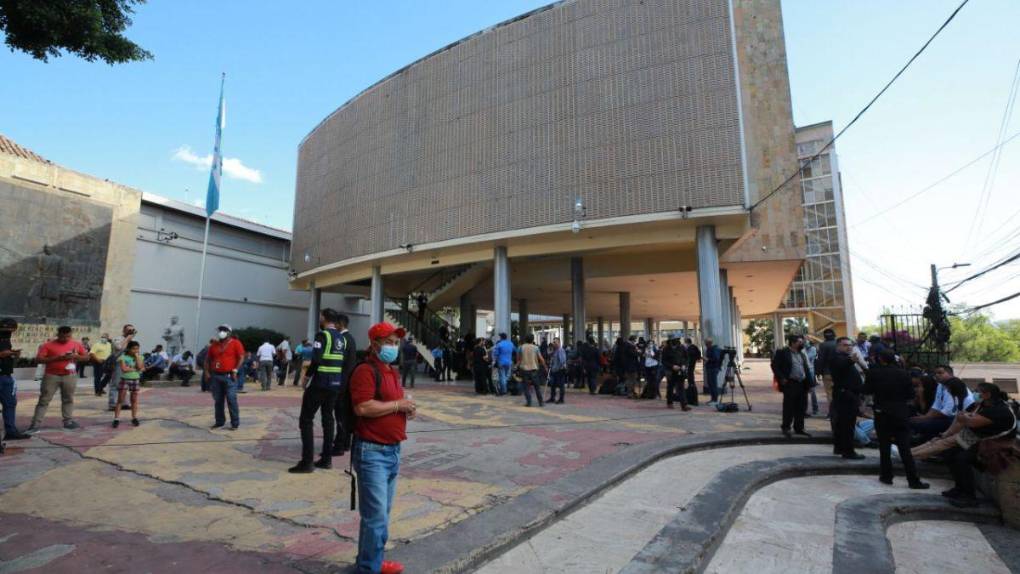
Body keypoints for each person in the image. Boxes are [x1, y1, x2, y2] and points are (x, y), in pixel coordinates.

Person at [350, 322, 416, 574]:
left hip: (392, 450)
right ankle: (368, 568)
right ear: (375, 343)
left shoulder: (390, 370)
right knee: (375, 518)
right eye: (388, 341)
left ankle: (372, 562)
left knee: (380, 516)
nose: (393, 346)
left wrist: (406, 408)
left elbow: (392, 403)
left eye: (396, 341)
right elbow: (363, 407)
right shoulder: (365, 371)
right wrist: (399, 406)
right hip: (372, 452)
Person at [290, 308, 350, 473]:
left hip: (320, 383)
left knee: (306, 420)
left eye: (320, 317)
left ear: (324, 318)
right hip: (335, 385)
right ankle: (326, 459)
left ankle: (307, 462)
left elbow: (316, 359)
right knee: (328, 419)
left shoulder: (322, 335)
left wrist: (307, 377)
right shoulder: (341, 338)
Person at [939, 383, 1017, 507]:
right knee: (949, 453)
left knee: (962, 459)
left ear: (987, 395)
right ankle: (959, 488)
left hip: (996, 446)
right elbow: (963, 417)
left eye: (978, 391)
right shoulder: (981, 405)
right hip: (980, 441)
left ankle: (969, 497)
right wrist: (962, 419)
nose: (975, 394)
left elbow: (970, 422)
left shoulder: (999, 409)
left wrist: (963, 418)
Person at [862, 350, 928, 488]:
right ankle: (913, 480)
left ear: (880, 359)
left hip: (882, 411)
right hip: (900, 412)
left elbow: (866, 390)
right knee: (904, 447)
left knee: (884, 446)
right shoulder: (904, 373)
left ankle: (886, 476)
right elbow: (910, 394)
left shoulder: (874, 372)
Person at [28, 326, 89, 432]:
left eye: (68, 336)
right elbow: (38, 359)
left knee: (68, 399)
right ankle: (35, 424)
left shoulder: (76, 344)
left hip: (70, 375)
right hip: (51, 376)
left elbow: (86, 357)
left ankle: (68, 421)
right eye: (63, 336)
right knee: (44, 400)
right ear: (58, 334)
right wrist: (57, 358)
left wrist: (75, 356)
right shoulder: (48, 345)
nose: (65, 339)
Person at [909, 365, 974, 442]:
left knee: (923, 424)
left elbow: (948, 411)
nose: (936, 375)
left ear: (950, 374)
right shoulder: (940, 385)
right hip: (951, 417)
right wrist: (926, 416)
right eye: (935, 373)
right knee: (915, 421)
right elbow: (936, 405)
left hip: (954, 418)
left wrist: (926, 418)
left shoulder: (954, 385)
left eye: (940, 373)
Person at [771, 334, 811, 439]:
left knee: (802, 407)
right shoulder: (783, 352)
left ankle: (799, 428)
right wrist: (781, 378)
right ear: (793, 343)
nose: (802, 343)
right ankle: (786, 427)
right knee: (789, 407)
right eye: (799, 342)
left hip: (802, 383)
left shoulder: (801, 354)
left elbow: (806, 368)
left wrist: (810, 383)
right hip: (790, 383)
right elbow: (774, 366)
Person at [329, 314, 358, 456]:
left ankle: (339, 445)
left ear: (340, 324)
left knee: (340, 414)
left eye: (335, 323)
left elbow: (340, 363)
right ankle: (346, 442)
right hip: (348, 382)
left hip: (342, 383)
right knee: (345, 414)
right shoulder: (351, 338)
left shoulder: (342, 339)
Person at [830, 337, 864, 459]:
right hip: (845, 395)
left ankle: (840, 448)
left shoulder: (845, 358)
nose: (849, 347)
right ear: (838, 346)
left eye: (850, 345)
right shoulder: (837, 358)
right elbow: (840, 366)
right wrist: (851, 360)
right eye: (845, 345)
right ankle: (848, 451)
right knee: (847, 424)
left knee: (844, 424)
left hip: (849, 395)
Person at [205, 325, 245, 430]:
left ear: (229, 332)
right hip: (216, 376)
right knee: (218, 400)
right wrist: (207, 373)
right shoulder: (214, 345)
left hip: (229, 376)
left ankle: (235, 423)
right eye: (220, 330)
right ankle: (219, 422)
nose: (221, 332)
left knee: (231, 399)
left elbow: (241, 357)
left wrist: (236, 370)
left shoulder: (236, 343)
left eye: (224, 330)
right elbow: (208, 359)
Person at [0, 318, 30, 440]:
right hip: (2, 376)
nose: (12, 331)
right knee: (9, 403)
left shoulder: (5, 337)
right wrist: (11, 353)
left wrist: (12, 352)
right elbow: (1, 353)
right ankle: (10, 431)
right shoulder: (4, 336)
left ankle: (11, 431)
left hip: (5, 375)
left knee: (10, 403)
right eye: (11, 329)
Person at [113, 341, 143, 428]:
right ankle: (116, 418)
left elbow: (140, 367)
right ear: (129, 349)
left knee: (134, 400)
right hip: (125, 379)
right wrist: (135, 368)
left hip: (135, 379)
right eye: (134, 349)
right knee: (120, 399)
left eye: (137, 348)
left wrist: (137, 358)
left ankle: (134, 417)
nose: (136, 350)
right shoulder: (123, 357)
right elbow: (124, 369)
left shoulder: (140, 357)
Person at [108, 324, 138, 410]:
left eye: (132, 330)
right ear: (124, 330)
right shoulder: (117, 339)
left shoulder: (133, 341)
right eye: (129, 330)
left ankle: (124, 403)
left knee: (126, 384)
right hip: (118, 363)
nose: (131, 332)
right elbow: (119, 347)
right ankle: (113, 404)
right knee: (116, 384)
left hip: (129, 364)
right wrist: (128, 338)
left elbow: (135, 352)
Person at [516, 334, 546, 407]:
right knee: (537, 387)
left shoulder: (521, 347)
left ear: (525, 340)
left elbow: (519, 359)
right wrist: (545, 366)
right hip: (534, 369)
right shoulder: (536, 348)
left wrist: (516, 366)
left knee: (526, 387)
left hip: (524, 369)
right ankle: (541, 402)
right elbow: (541, 359)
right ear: (533, 340)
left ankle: (529, 402)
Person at [662, 338, 691, 411]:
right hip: (671, 371)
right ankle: (669, 402)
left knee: (681, 388)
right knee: (670, 387)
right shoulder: (666, 349)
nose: (674, 346)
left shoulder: (681, 347)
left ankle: (684, 405)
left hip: (680, 370)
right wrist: (672, 366)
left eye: (675, 344)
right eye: (672, 344)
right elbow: (664, 361)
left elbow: (687, 358)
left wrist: (684, 365)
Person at [815, 329, 837, 419]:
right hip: (839, 373)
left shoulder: (823, 345)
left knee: (830, 394)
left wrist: (818, 372)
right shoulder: (838, 343)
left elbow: (821, 360)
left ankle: (832, 412)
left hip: (827, 373)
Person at [546, 338, 567, 404]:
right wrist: (550, 349)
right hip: (554, 370)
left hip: (559, 370)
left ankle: (561, 399)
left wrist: (561, 368)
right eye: (553, 342)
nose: (554, 344)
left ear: (559, 343)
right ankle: (552, 397)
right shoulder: (554, 351)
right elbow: (549, 354)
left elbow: (562, 361)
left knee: (561, 385)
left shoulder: (560, 350)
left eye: (555, 342)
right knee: (553, 385)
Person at [703, 337, 722, 404]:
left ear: (709, 343)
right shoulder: (709, 349)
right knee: (710, 384)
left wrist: (707, 359)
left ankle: (715, 400)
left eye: (706, 343)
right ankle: (713, 399)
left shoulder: (714, 349)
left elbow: (716, 359)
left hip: (713, 368)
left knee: (713, 384)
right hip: (710, 368)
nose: (705, 344)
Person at [804, 339, 819, 416]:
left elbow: (807, 359)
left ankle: (815, 409)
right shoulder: (802, 349)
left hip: (810, 372)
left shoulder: (812, 349)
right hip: (803, 372)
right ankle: (804, 410)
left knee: (812, 391)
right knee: (803, 392)